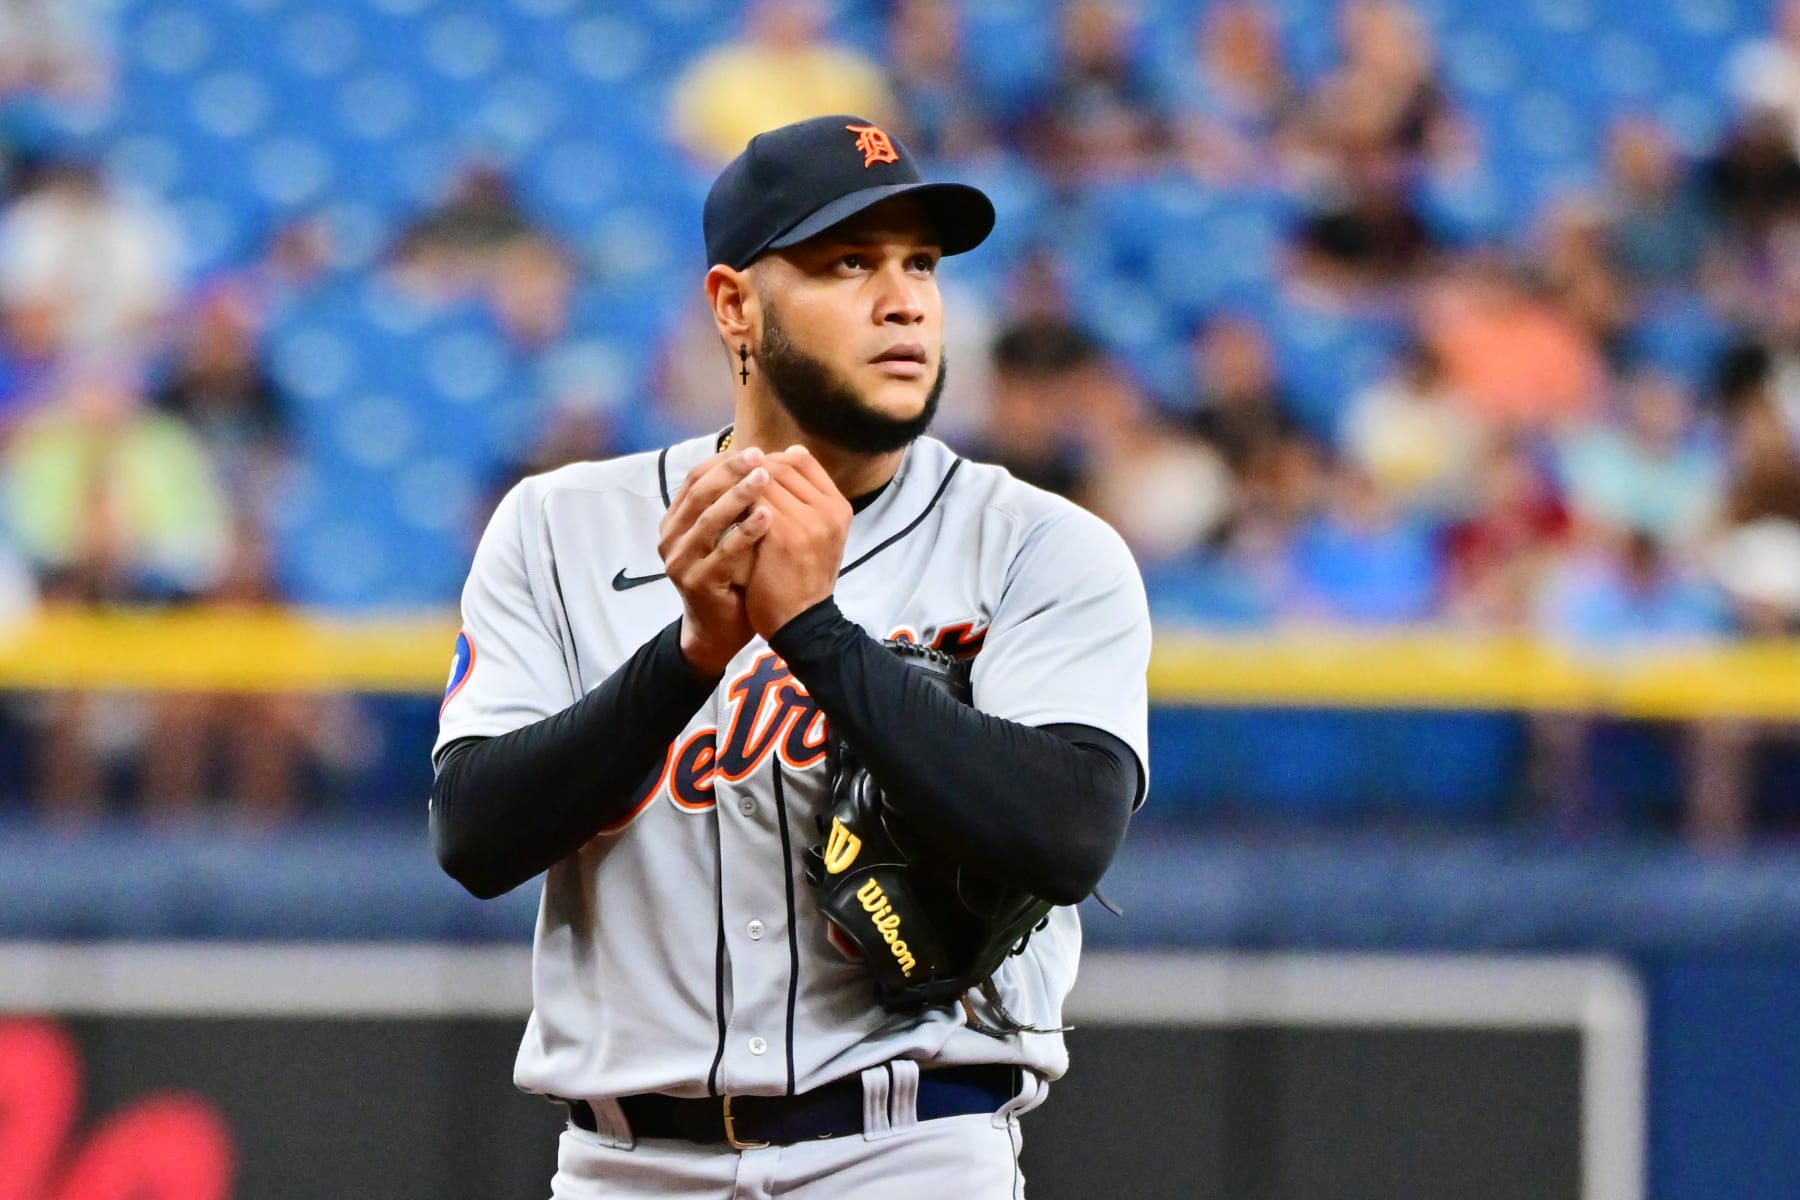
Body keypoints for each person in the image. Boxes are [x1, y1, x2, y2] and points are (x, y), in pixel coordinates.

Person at [429, 116, 1150, 1197]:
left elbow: (1068, 834)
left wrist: (816, 637)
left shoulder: (1038, 545)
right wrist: (686, 659)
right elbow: (477, 836)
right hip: (629, 1164)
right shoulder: (559, 526)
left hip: (909, 1150)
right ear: (735, 308)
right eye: (847, 263)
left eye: (920, 264)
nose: (903, 299)